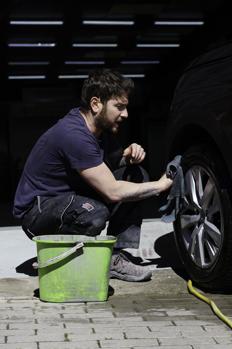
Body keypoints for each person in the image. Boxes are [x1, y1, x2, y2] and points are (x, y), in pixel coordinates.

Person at [12, 69, 173, 282]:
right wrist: (160, 185)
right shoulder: (73, 134)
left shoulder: (98, 131)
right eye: (119, 107)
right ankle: (77, 261)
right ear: (96, 104)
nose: (125, 114)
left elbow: (109, 162)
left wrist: (128, 155)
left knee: (135, 175)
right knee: (94, 213)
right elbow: (113, 191)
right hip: (37, 212)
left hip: (67, 199)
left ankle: (116, 255)